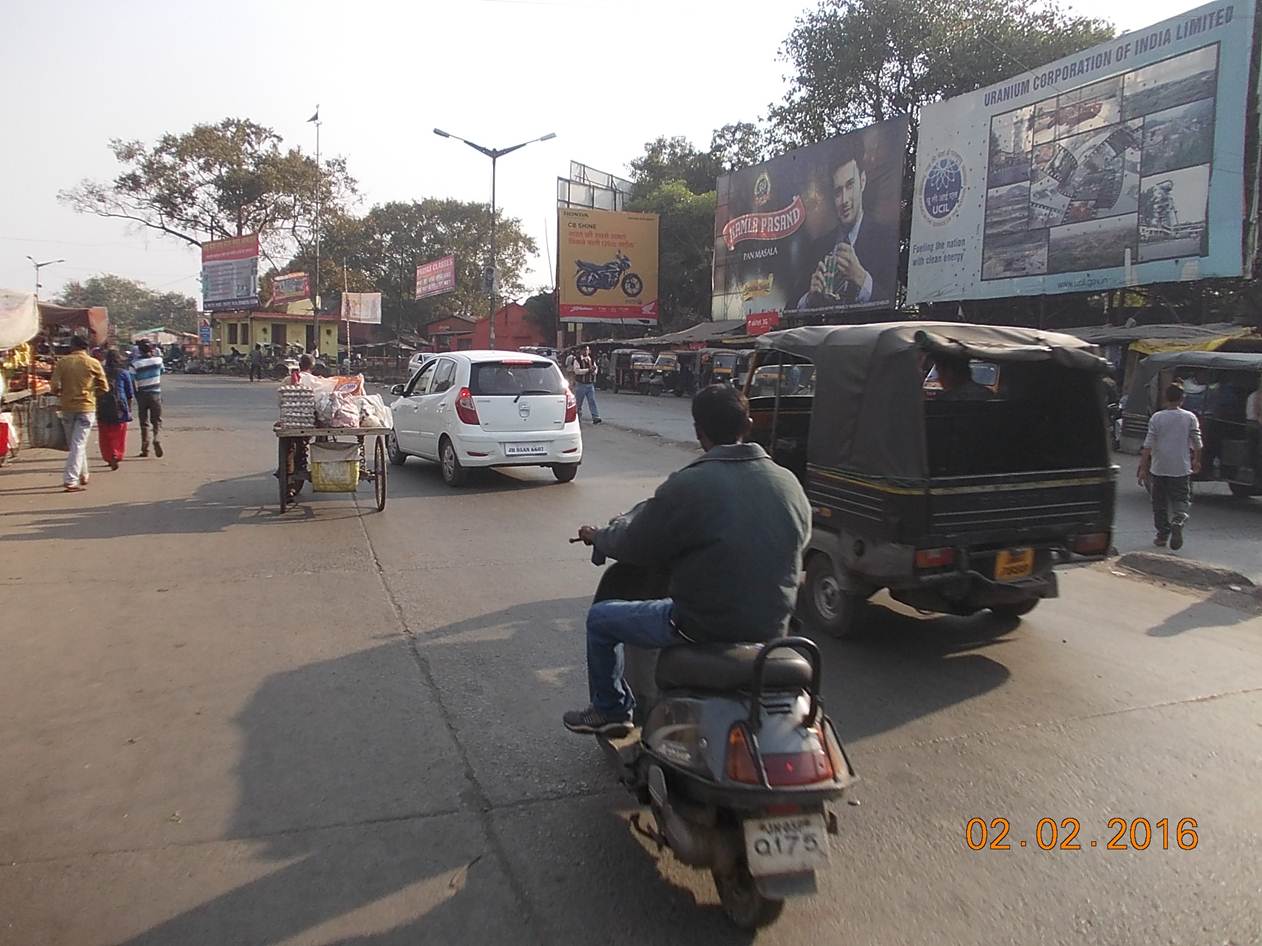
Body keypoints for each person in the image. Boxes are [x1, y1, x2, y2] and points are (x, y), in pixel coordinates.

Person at [564, 384, 811, 735]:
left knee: (600, 620)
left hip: (698, 629)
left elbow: (634, 542)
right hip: (773, 631)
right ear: (749, 424)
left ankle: (612, 710)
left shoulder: (688, 485)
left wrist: (598, 536)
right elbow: (797, 546)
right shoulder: (789, 484)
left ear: (699, 431)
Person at [795, 140, 897, 310]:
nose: (844, 200)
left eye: (850, 186)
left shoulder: (886, 238)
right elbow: (790, 307)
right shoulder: (818, 248)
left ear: (862, 182)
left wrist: (861, 278)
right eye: (837, 192)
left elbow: (892, 304)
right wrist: (809, 298)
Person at [1139, 384, 1202, 551]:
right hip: (1180, 468)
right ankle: (1178, 520)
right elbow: (1197, 443)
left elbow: (1148, 445)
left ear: (1165, 398)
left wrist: (1143, 468)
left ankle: (1162, 535)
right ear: (1183, 399)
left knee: (1158, 503)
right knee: (1181, 500)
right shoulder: (1190, 417)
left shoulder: (1157, 418)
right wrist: (1197, 460)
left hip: (1159, 467)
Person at [49, 335, 108, 492]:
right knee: (78, 444)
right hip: (86, 407)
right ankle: (72, 480)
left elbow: (53, 386)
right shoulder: (93, 362)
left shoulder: (63, 362)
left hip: (67, 407)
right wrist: (93, 392)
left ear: (72, 346)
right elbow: (104, 387)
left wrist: (62, 392)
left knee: (75, 444)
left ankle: (82, 474)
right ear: (86, 347)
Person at [96, 350, 135, 470]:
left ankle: (108, 456)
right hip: (119, 406)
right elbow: (129, 393)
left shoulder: (101, 371)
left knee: (104, 433)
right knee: (119, 433)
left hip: (102, 405)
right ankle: (116, 454)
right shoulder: (124, 373)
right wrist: (128, 409)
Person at [572, 346, 602, 425]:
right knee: (578, 403)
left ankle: (595, 417)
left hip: (590, 384)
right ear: (581, 351)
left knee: (592, 400)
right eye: (584, 350)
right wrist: (588, 370)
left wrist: (593, 371)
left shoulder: (591, 360)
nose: (586, 351)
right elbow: (577, 371)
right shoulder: (577, 360)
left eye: (587, 350)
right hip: (580, 384)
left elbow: (595, 370)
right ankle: (577, 417)